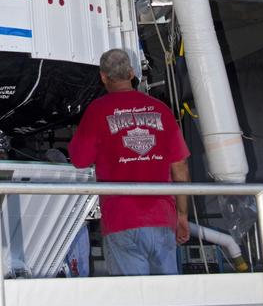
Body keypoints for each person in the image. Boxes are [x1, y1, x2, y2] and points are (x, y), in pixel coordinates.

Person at [69, 48, 190, 276]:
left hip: (121, 220)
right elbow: (180, 165)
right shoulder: (161, 110)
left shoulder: (97, 112)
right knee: (168, 299)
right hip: (163, 218)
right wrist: (182, 215)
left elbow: (79, 160)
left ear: (103, 77)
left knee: (134, 300)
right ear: (132, 73)